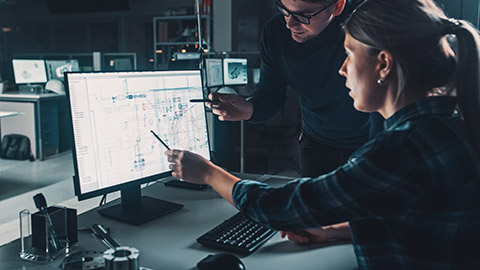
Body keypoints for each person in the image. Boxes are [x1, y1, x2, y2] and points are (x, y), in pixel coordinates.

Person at [166, 0, 480, 268]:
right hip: (322, 143)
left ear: (383, 64)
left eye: (350, 56)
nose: (342, 70)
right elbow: (405, 217)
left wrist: (208, 173)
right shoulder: (444, 122)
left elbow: (284, 206)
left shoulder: (400, 149)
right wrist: (336, 231)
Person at [207, 0, 384, 177]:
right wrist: (250, 109)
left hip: (371, 141)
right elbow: (270, 93)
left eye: (303, 15)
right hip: (315, 143)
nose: (289, 23)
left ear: (338, 6)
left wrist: (379, 154)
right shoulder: (276, 33)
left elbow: (382, 100)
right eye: (284, 10)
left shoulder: (366, 24)